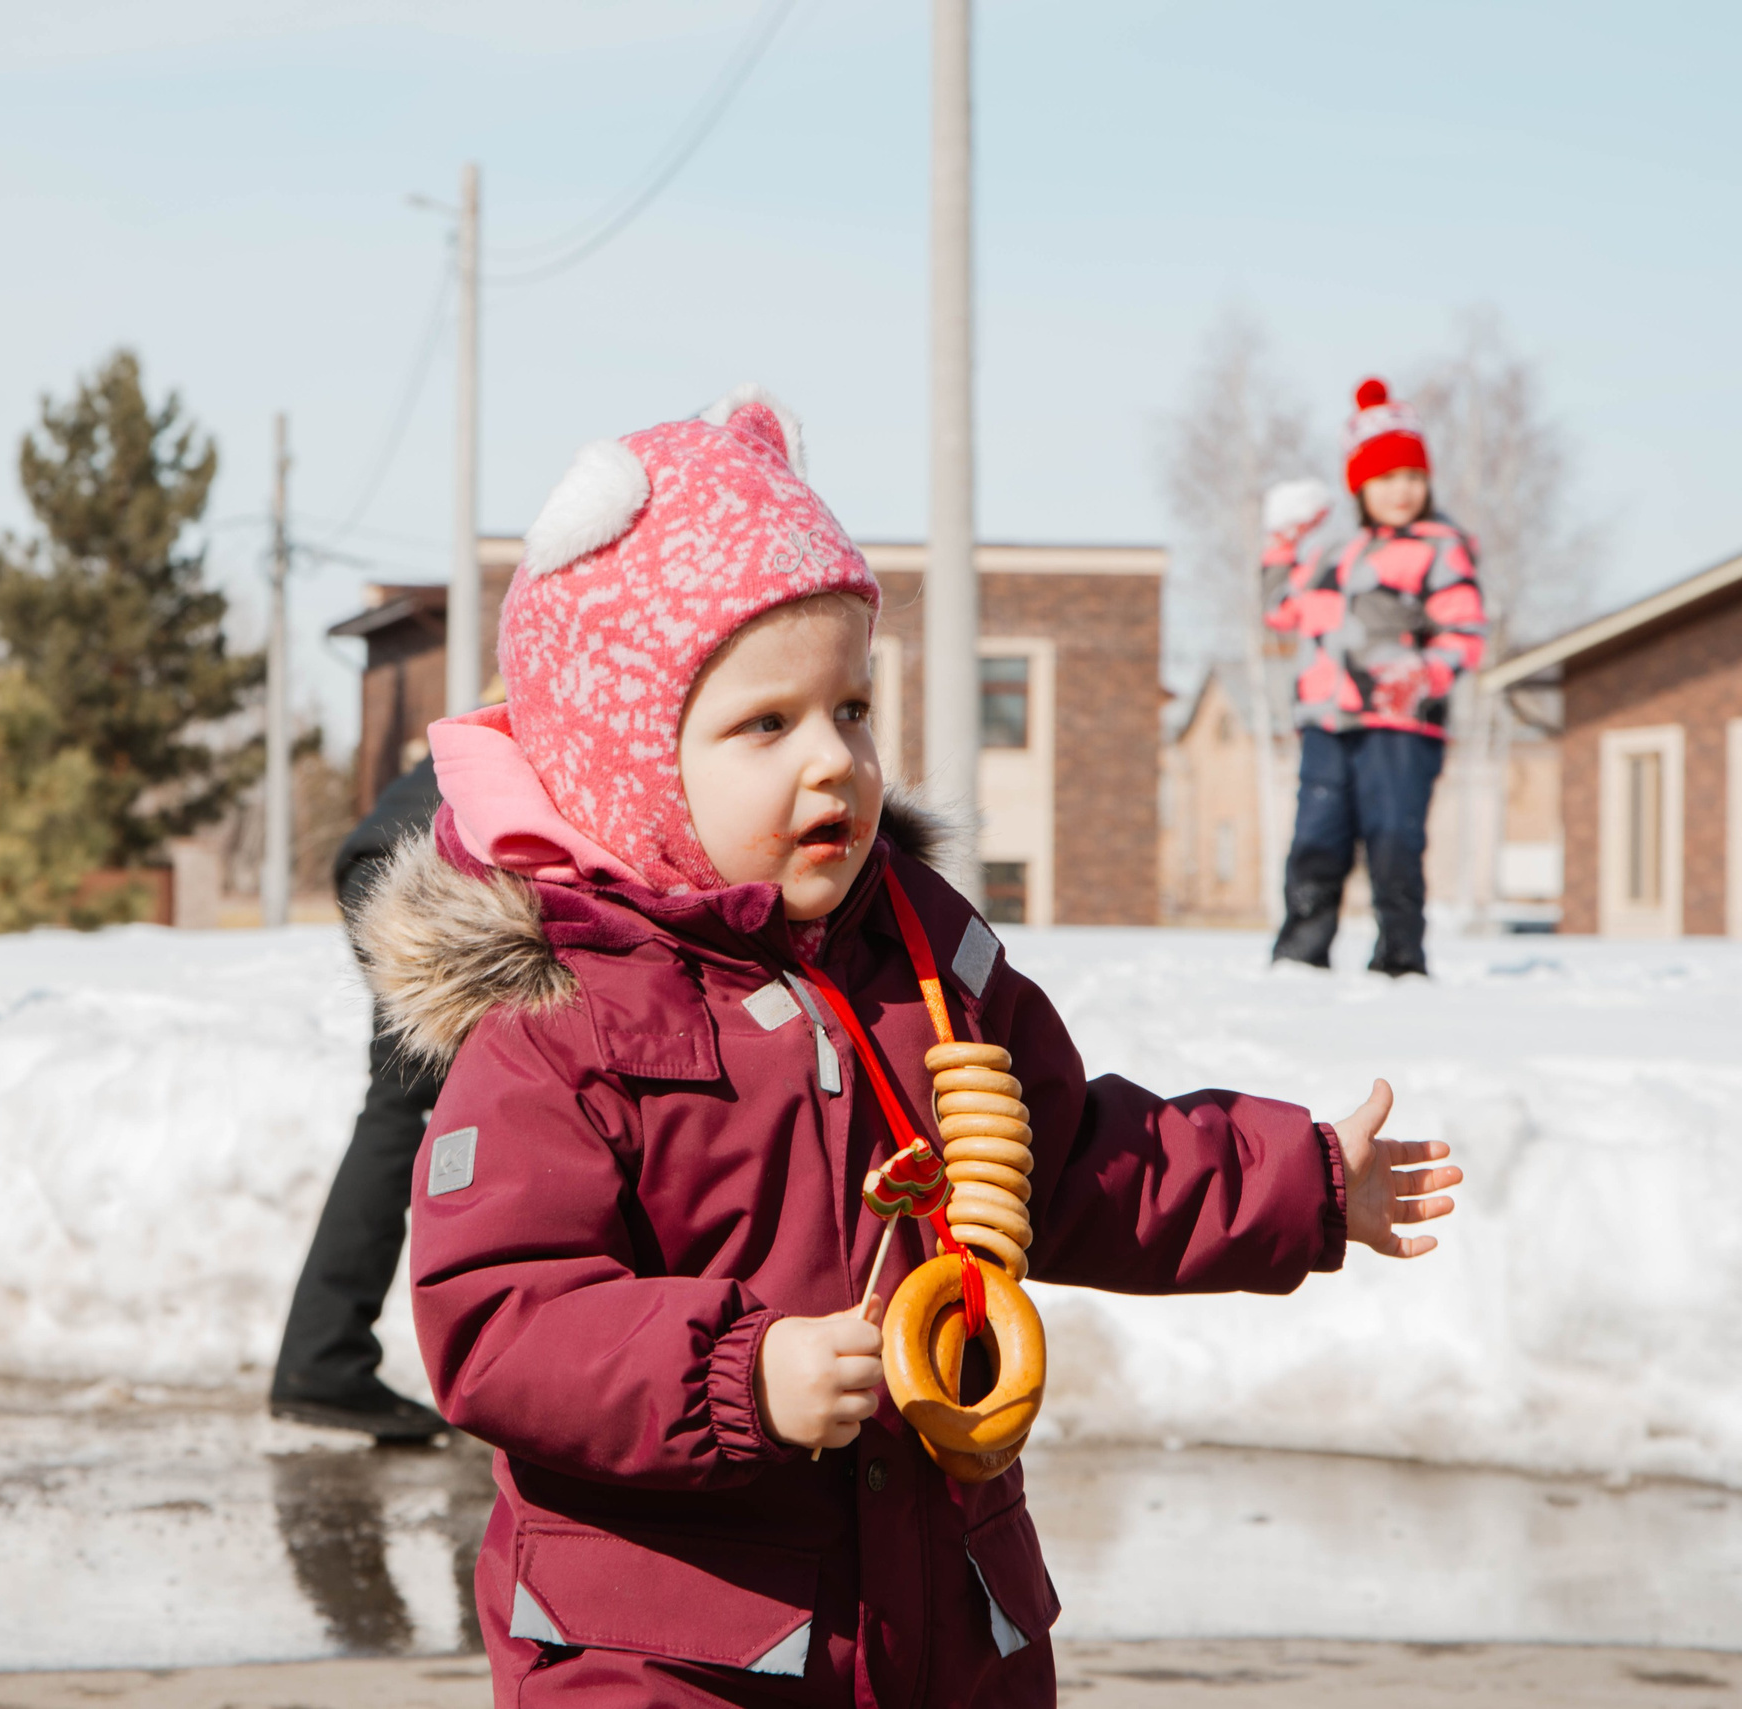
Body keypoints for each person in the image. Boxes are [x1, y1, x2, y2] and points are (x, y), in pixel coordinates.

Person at [356, 390, 1463, 1706]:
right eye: (765, 726)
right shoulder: (568, 1019)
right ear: (629, 767)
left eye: (853, 709)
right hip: (673, 1652)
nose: (834, 762)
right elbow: (497, 1316)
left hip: (935, 1621)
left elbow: (1070, 1156)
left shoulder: (924, 958)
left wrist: (1300, 1181)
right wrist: (738, 1371)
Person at [1264, 378, 1485, 976]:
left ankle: (1399, 958)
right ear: (1360, 484)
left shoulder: (1442, 549)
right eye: (1387, 478)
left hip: (1401, 724)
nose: (1402, 490)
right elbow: (1281, 609)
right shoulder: (1334, 555)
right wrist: (1283, 542)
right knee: (1317, 840)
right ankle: (1300, 956)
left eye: (1413, 477)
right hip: (1327, 722)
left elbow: (1464, 633)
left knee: (1394, 841)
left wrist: (1426, 673)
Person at [270, 748, 447, 1441]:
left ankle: (323, 1356)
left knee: (401, 1105)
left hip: (390, 855)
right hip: (446, 870)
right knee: (516, 1100)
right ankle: (520, 1376)